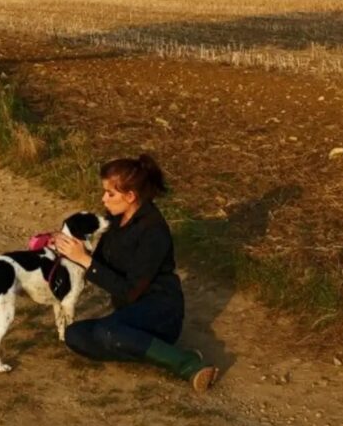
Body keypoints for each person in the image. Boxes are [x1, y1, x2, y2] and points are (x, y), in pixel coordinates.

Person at [51, 153, 219, 392]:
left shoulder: (154, 231)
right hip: (129, 314)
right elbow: (100, 264)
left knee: (106, 331)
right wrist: (67, 249)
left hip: (160, 311)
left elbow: (129, 291)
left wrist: (85, 260)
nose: (103, 199)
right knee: (75, 335)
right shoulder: (115, 221)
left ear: (130, 196)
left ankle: (187, 363)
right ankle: (152, 351)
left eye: (110, 194)